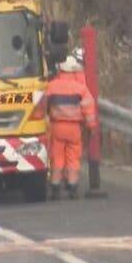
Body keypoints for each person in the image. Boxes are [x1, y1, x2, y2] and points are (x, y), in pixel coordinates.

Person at [44, 56, 98, 199]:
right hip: (74, 128)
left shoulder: (51, 86)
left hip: (57, 126)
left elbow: (43, 106)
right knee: (73, 158)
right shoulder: (81, 89)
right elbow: (89, 109)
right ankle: (72, 187)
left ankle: (55, 187)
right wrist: (91, 127)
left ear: (60, 69)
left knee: (57, 157)